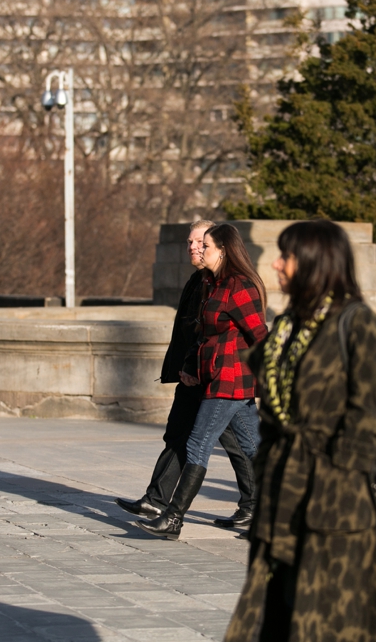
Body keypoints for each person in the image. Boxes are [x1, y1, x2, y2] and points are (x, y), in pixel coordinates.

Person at [224, 220, 376, 642]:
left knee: (331, 623)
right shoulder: (286, 327)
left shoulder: (355, 324)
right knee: (274, 618)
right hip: (281, 499)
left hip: (332, 507)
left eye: (287, 256)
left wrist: (330, 485)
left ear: (316, 263)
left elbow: (367, 420)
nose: (278, 265)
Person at [115, 221, 256, 527]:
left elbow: (259, 334)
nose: (197, 248)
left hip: (228, 378)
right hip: (209, 373)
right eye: (194, 243)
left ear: (222, 249)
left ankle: (172, 517)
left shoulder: (238, 285)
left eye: (204, 244)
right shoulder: (207, 283)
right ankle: (265, 509)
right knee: (249, 445)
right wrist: (189, 364)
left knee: (201, 443)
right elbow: (199, 332)